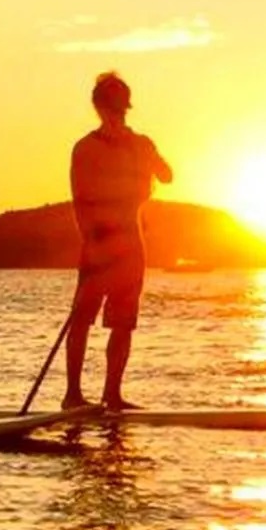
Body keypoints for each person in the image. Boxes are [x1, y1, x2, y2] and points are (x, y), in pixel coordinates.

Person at [62, 71, 172, 411]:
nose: (117, 112)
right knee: (82, 318)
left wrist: (149, 154)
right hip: (100, 242)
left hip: (130, 243)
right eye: (113, 106)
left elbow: (167, 176)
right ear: (100, 107)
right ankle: (73, 395)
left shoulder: (141, 144)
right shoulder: (86, 148)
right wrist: (91, 244)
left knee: (123, 322)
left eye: (120, 107)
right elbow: (80, 203)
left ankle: (112, 394)